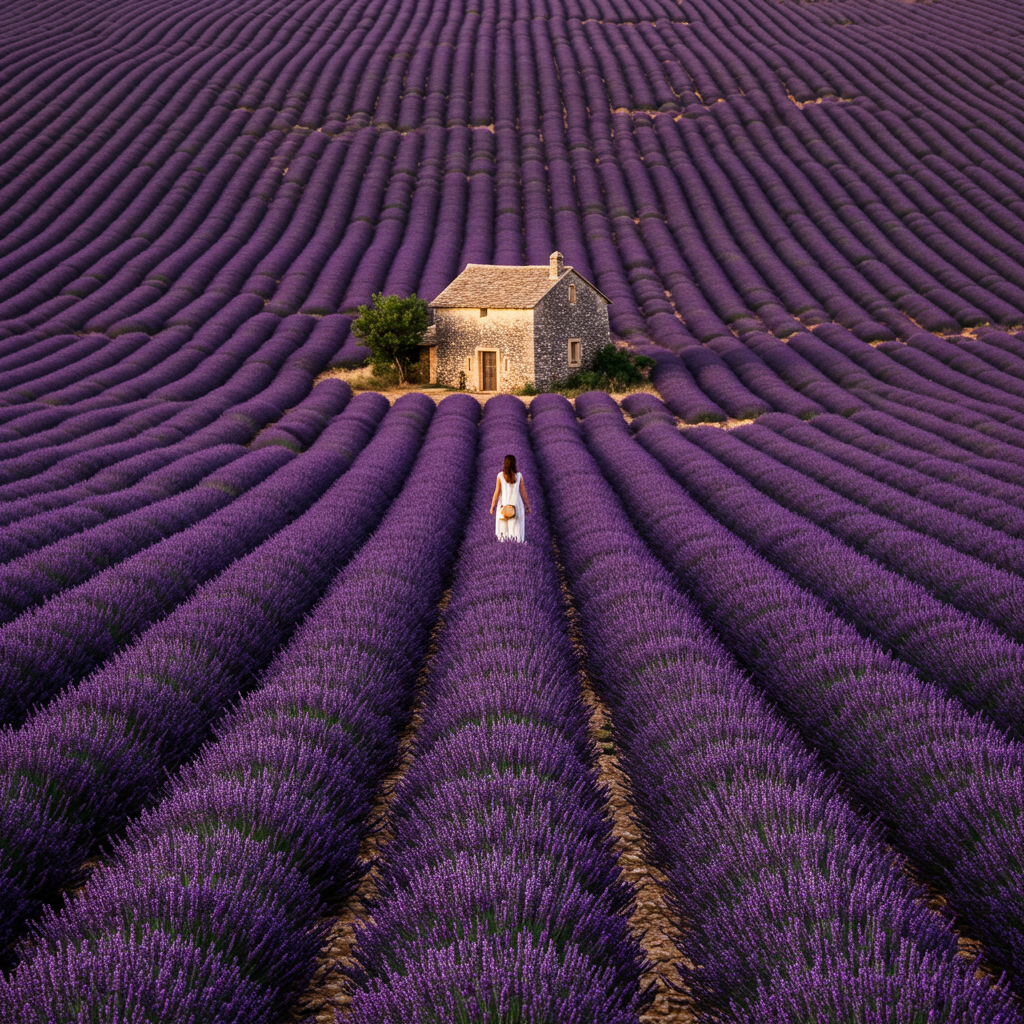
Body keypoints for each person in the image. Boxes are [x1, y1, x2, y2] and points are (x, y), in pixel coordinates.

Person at [490, 454, 531, 542]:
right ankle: (517, 546)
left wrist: (492, 506)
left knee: (503, 530)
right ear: (514, 464)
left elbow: (496, 492)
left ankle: (505, 547)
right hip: (516, 505)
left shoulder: (500, 476)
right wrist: (527, 506)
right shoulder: (519, 476)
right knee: (516, 529)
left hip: (504, 505)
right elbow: (523, 492)